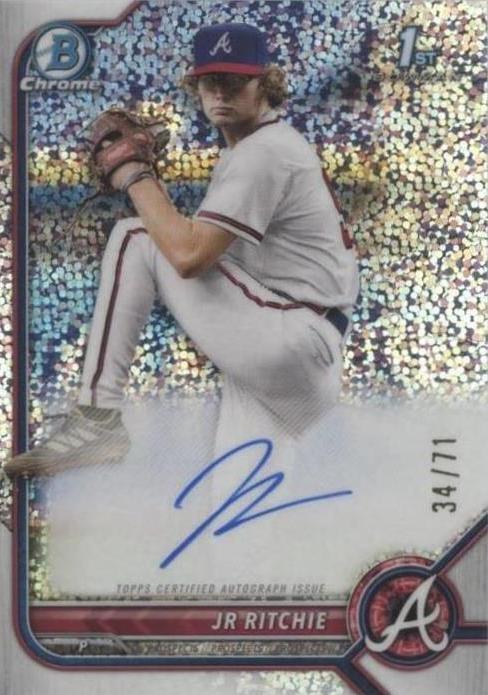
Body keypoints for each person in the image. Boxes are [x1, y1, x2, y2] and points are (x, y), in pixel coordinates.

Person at [5, 23, 359, 477]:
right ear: (196, 87)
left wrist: (135, 175)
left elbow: (188, 257)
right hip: (291, 354)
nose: (220, 92)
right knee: (238, 504)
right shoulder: (262, 149)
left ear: (265, 84)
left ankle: (98, 416)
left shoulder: (264, 152)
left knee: (136, 238)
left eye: (234, 81)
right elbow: (199, 246)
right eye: (210, 82)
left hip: (291, 338)